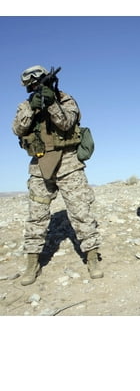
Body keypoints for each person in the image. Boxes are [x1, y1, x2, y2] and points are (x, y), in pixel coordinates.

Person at [12, 65, 103, 286]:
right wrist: (32, 109)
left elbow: (67, 122)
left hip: (69, 163)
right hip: (39, 166)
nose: (36, 87)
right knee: (37, 216)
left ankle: (92, 258)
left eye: (39, 83)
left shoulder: (65, 100)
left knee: (81, 212)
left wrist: (51, 103)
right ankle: (32, 264)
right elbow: (17, 129)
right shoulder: (25, 106)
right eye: (32, 86)